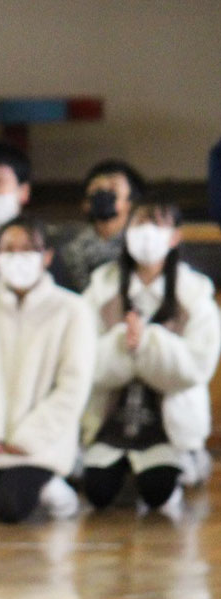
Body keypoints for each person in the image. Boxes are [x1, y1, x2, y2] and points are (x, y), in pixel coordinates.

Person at [0, 216, 96, 523]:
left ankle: (57, 491)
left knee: (10, 506)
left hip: (41, 443)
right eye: (9, 249)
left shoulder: (72, 309)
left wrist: (30, 437)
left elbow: (73, 385)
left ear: (48, 256)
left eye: (28, 249)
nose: (18, 257)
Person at [81, 200, 221, 513]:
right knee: (98, 491)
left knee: (157, 491)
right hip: (111, 417)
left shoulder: (195, 291)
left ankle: (185, 463)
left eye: (156, 225)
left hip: (168, 420)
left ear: (174, 237)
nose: (146, 234)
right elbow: (83, 359)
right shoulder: (102, 284)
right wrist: (123, 343)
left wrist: (148, 344)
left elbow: (198, 366)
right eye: (138, 225)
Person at [58, 159, 146, 293]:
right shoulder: (72, 248)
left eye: (113, 188)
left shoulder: (144, 244)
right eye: (97, 189)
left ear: (132, 202)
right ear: (85, 203)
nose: (104, 194)